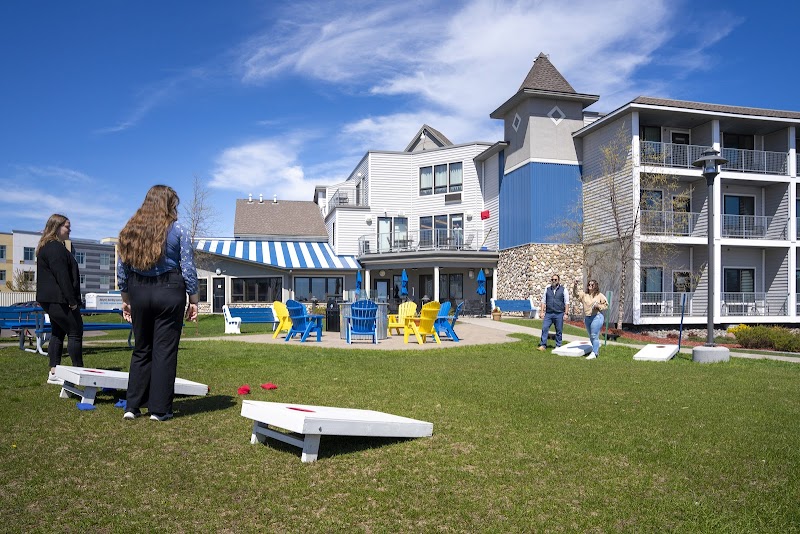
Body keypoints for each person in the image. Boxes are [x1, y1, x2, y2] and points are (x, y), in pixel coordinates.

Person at [117, 185, 199, 421]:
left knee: (141, 348)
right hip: (170, 290)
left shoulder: (129, 230)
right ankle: (159, 409)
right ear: (168, 204)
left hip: (138, 290)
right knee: (164, 350)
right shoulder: (178, 230)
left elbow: (122, 268)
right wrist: (193, 300)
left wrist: (126, 300)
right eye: (173, 203)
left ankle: (132, 406)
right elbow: (188, 268)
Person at [36, 214, 84, 384]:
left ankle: (54, 372)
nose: (69, 229)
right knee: (75, 331)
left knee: (58, 332)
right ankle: (79, 372)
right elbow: (62, 276)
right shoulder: (55, 247)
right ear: (56, 227)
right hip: (59, 299)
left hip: (52, 299)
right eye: (67, 226)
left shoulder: (49, 246)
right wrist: (72, 300)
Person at [572, 278, 609, 360]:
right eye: (589, 284)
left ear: (595, 286)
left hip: (597, 317)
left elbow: (606, 305)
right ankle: (595, 350)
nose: (590, 286)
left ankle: (594, 353)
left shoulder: (599, 295)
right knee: (591, 336)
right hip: (587, 318)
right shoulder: (584, 295)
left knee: (594, 335)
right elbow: (576, 294)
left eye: (592, 285)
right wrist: (575, 286)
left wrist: (598, 306)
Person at [537, 274, 569, 351]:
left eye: (555, 280)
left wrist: (566, 313)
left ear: (558, 280)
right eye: (552, 280)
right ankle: (543, 345)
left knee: (559, 330)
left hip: (559, 313)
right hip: (549, 313)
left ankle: (558, 345)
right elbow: (543, 301)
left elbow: (566, 303)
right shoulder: (547, 289)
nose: (553, 281)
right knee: (545, 328)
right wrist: (542, 312)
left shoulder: (564, 290)